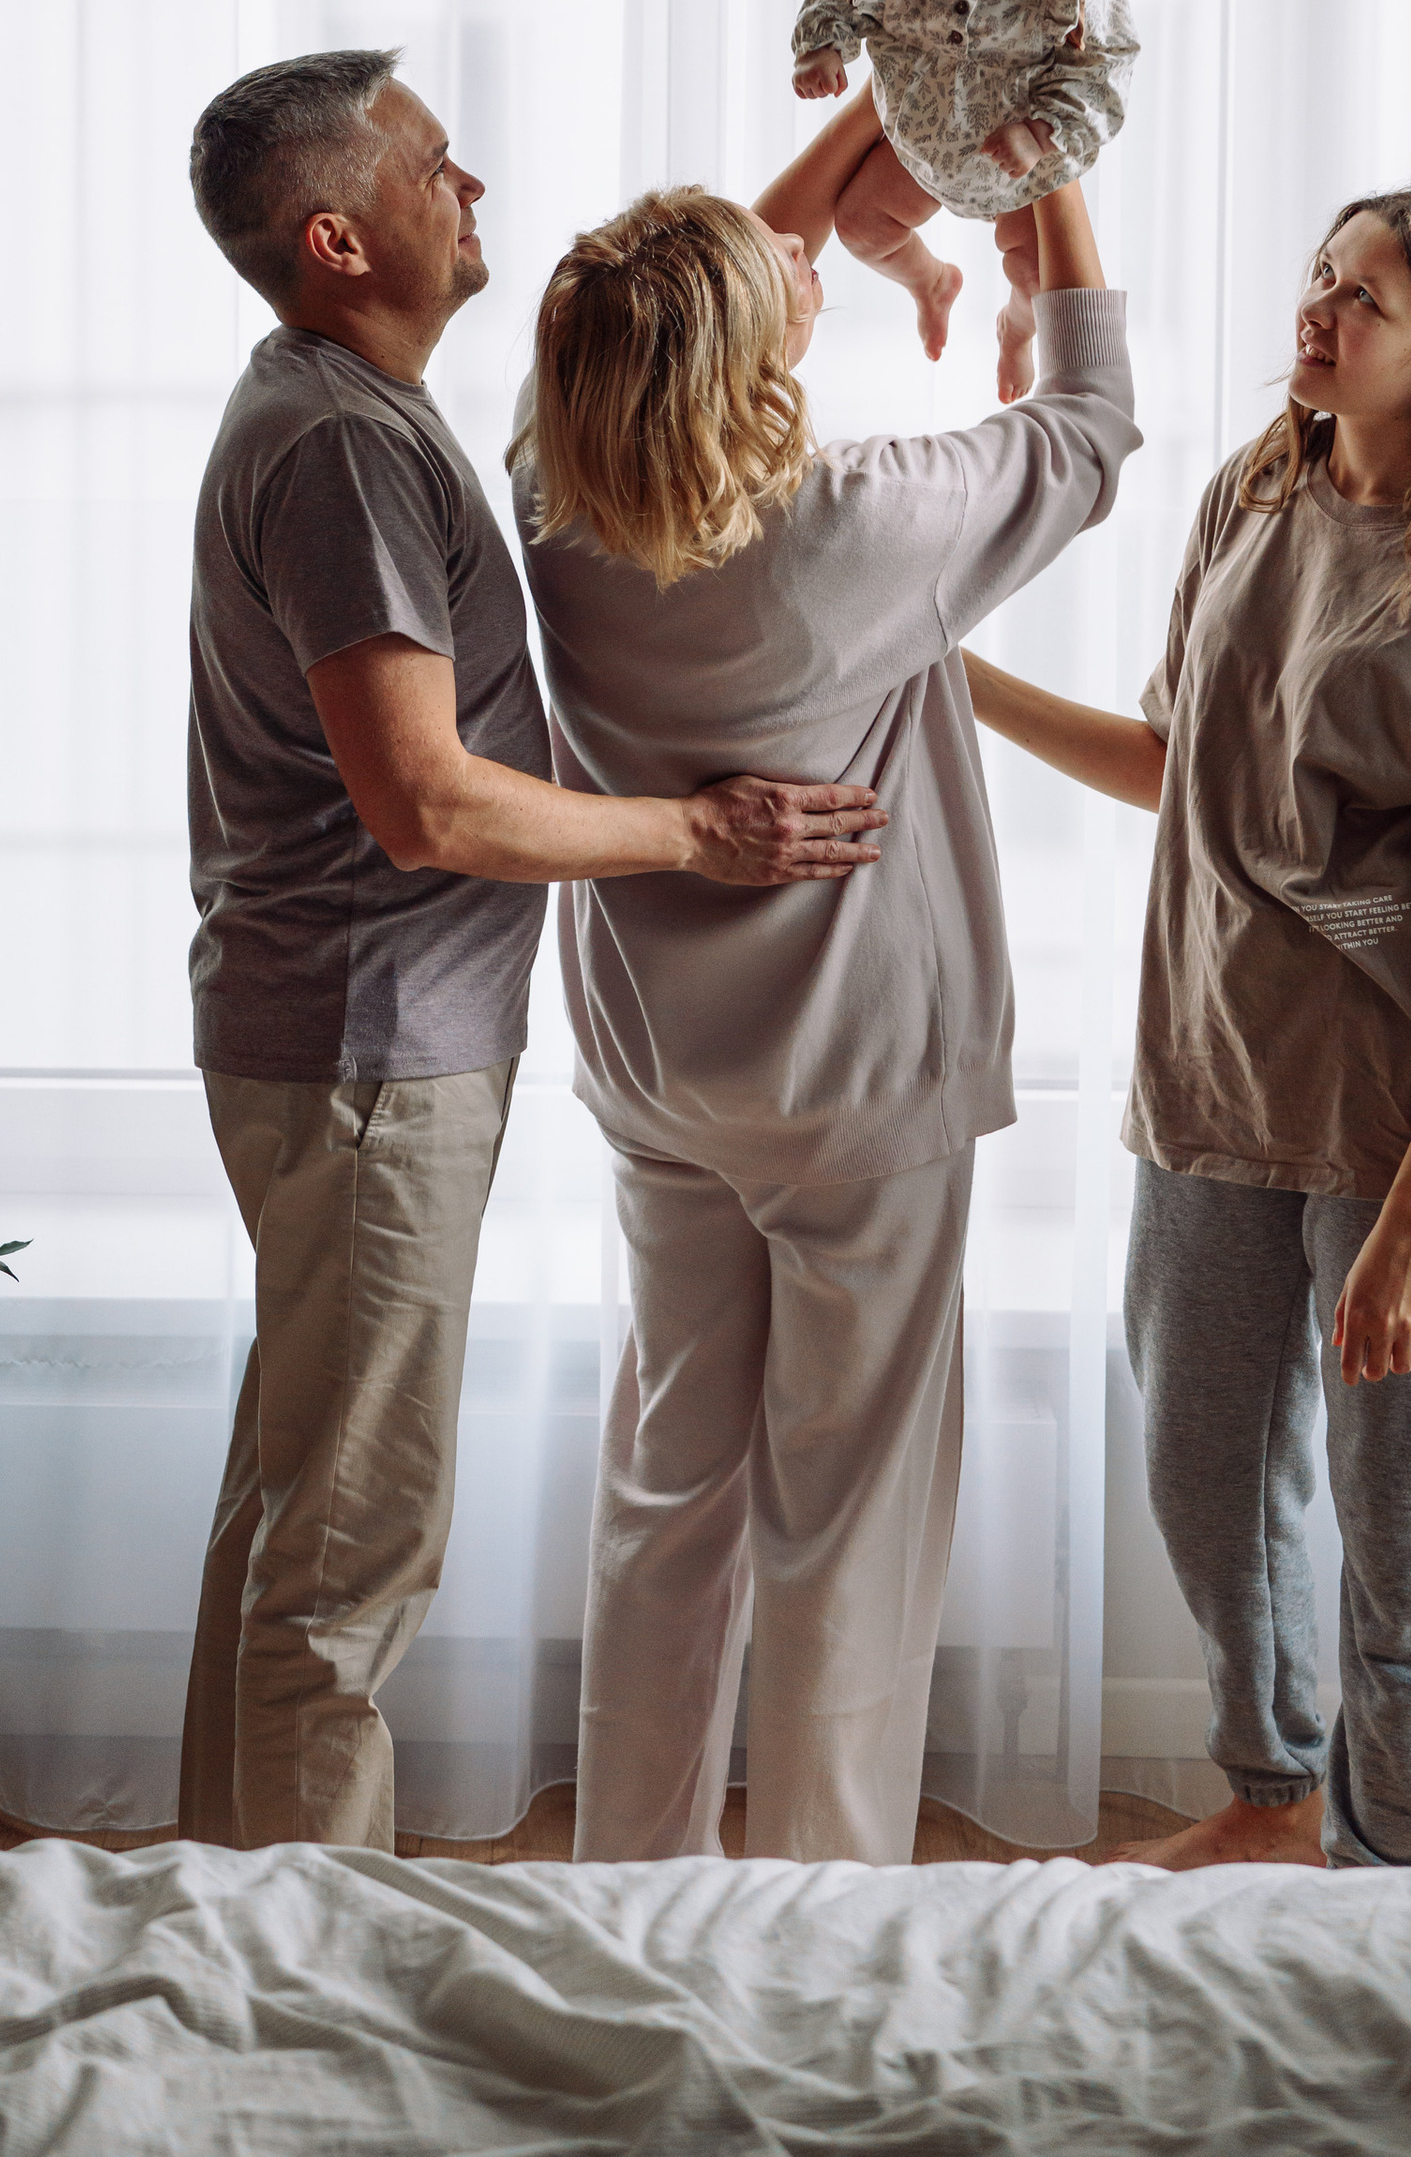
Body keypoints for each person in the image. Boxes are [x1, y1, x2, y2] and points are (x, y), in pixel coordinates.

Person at [177, 48, 883, 1853]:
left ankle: (218, 1928)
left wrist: (884, 98)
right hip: (364, 1058)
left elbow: (719, 298)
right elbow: (429, 804)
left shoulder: (353, 408)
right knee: (348, 1557)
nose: (469, 182)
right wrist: (694, 833)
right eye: (429, 165)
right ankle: (307, 1989)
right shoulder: (339, 447)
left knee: (296, 1511)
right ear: (337, 236)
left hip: (345, 1044)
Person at [509, 93, 1137, 1863]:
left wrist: (884, 103)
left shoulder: (553, 503)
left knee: (668, 1485)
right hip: (858, 1093)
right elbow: (1092, 428)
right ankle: (821, 1906)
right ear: (745, 361)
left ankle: (629, 1879)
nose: (804, 270)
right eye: (774, 280)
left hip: (662, 1081)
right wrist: (1051, 143)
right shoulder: (863, 524)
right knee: (847, 1517)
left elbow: (690, 299)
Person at [966, 186, 1411, 1872]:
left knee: (1400, 1530)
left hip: (1403, 1119)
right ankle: (1270, 1798)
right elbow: (1176, 764)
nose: (1317, 316)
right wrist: (952, 679)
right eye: (1319, 282)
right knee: (1203, 1476)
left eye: (1366, 300)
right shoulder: (1251, 498)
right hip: (1211, 1081)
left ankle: (1396, 1864)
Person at [790, 0, 1138, 388]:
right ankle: (930, 281)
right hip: (917, 152)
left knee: (1036, 278)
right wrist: (823, 46)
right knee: (860, 227)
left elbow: (1105, 70)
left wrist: (1041, 131)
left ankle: (1015, 327)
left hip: (1017, 176)